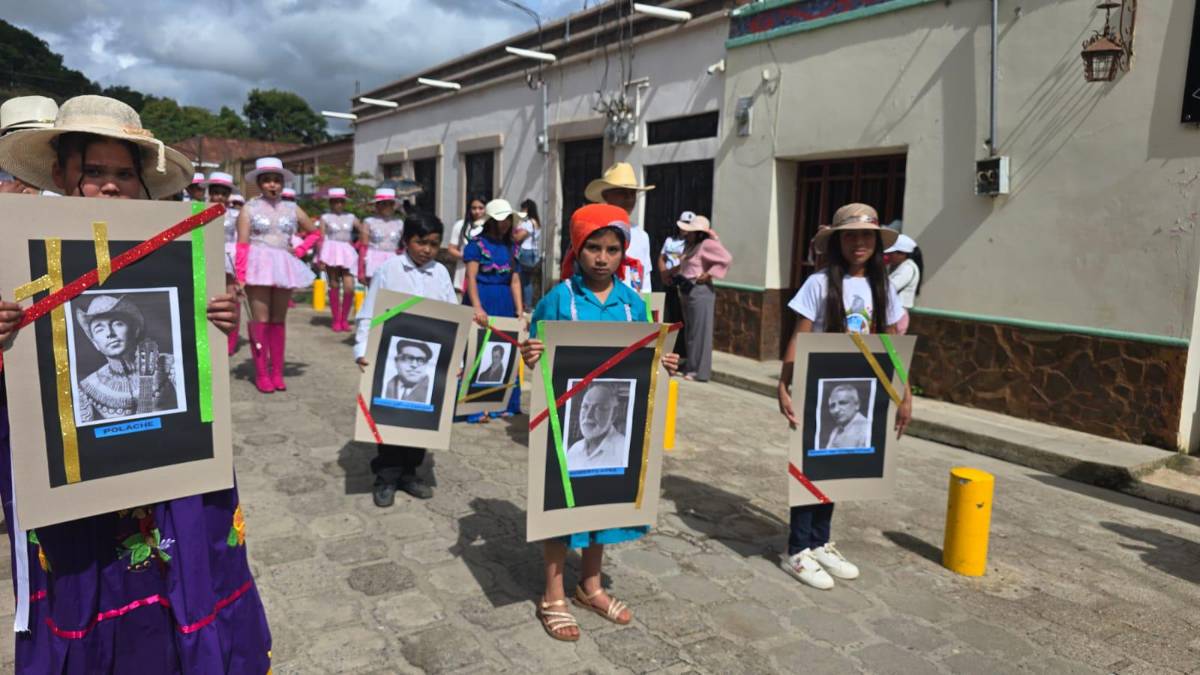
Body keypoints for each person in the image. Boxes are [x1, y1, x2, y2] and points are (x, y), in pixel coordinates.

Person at [0, 94, 270, 673]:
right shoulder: (20, 254)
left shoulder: (172, 246)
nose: (110, 187)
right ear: (60, 173)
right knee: (89, 587)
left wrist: (220, 323)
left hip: (169, 465)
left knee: (185, 574)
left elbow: (196, 359)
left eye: (124, 174)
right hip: (73, 473)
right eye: (94, 172)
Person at [520, 203, 679, 642]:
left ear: (623, 253)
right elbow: (535, 348)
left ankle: (591, 584)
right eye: (593, 247)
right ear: (578, 248)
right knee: (559, 506)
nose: (602, 257)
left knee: (603, 499)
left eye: (612, 248)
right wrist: (531, 354)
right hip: (565, 421)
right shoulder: (560, 299)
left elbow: (644, 358)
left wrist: (662, 360)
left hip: (615, 425)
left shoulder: (632, 304)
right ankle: (553, 593)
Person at [777, 203, 913, 591]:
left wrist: (903, 392)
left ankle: (821, 541)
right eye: (850, 235)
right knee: (810, 467)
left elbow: (891, 341)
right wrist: (784, 382)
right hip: (817, 387)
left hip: (861, 389)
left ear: (876, 242)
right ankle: (797, 549)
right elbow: (800, 334)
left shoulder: (883, 286)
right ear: (837, 242)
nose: (859, 242)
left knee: (838, 465)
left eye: (866, 235)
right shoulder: (818, 283)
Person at [355, 213, 456, 504]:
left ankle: (411, 472)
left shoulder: (440, 273)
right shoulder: (389, 269)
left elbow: (451, 314)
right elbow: (370, 311)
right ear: (406, 241)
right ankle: (386, 476)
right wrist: (362, 349)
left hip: (429, 361)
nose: (427, 250)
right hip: (393, 358)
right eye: (420, 242)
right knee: (390, 417)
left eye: (434, 244)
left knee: (421, 421)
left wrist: (455, 360)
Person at [235, 156, 319, 393]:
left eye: (276, 180)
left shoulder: (292, 208)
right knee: (260, 320)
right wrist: (240, 276)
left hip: (283, 265)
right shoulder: (249, 208)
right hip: (257, 265)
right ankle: (262, 373)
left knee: (278, 321)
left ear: (282, 183)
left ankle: (277, 372)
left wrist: (300, 249)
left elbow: (314, 232)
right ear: (260, 184)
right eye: (267, 180)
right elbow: (242, 244)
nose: (272, 185)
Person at [463, 198, 523, 419]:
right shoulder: (477, 245)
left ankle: (505, 403)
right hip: (483, 299)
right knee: (479, 351)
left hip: (505, 302)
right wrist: (476, 306)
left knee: (505, 351)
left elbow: (515, 281)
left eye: (508, 218)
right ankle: (476, 407)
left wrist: (519, 310)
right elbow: (471, 278)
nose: (505, 223)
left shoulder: (512, 247)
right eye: (501, 219)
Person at [74, 295, 178, 421]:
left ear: (135, 330)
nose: (110, 334)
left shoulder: (170, 365)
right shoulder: (86, 388)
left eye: (118, 324)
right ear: (95, 344)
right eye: (99, 329)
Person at [672, 215, 731, 382]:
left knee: (700, 332)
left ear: (699, 233)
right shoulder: (692, 246)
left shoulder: (707, 244)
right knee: (691, 331)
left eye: (692, 231)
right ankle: (691, 366)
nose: (687, 234)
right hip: (687, 289)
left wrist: (710, 274)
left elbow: (726, 258)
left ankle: (699, 371)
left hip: (700, 290)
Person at [585, 162, 653, 292]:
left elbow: (644, 278)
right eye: (622, 192)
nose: (628, 198)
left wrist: (646, 309)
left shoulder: (641, 236)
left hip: (631, 306)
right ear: (606, 195)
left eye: (632, 193)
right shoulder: (593, 230)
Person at [316, 187, 360, 332]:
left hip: (347, 251)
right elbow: (321, 238)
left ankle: (344, 318)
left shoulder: (351, 217)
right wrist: (320, 257)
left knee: (349, 287)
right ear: (331, 203)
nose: (339, 204)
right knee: (334, 284)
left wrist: (358, 246)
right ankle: (336, 320)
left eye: (341, 201)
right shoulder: (325, 217)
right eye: (335, 202)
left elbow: (365, 231)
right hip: (331, 251)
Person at [565, 384, 628, 471]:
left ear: (613, 415)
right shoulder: (574, 449)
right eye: (585, 407)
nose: (588, 415)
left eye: (599, 408)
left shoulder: (624, 450)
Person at [359, 188, 404, 285]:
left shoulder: (399, 223)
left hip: (393, 259)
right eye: (384, 203)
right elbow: (364, 246)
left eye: (390, 204)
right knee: (374, 291)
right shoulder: (369, 221)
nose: (387, 207)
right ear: (377, 205)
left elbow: (404, 245)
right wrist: (361, 270)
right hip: (374, 258)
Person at [446, 195, 487, 295]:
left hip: (484, 274)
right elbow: (451, 248)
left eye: (481, 208)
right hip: (463, 272)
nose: (477, 211)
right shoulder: (460, 225)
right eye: (474, 208)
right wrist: (467, 257)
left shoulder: (489, 226)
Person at [885, 233, 922, 334]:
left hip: (897, 315)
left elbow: (890, 287)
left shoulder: (908, 268)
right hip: (889, 312)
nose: (888, 256)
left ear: (902, 253)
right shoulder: (894, 267)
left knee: (890, 347)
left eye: (891, 253)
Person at [514, 198, 543, 308]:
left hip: (525, 252)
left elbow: (518, 238)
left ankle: (526, 305)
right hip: (533, 253)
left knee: (523, 280)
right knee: (528, 281)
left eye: (523, 208)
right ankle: (527, 304)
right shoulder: (536, 222)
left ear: (527, 209)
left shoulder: (528, 223)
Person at [824, 384, 870, 449]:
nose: (836, 410)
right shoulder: (835, 431)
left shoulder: (867, 430)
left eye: (842, 403)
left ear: (857, 405)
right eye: (832, 406)